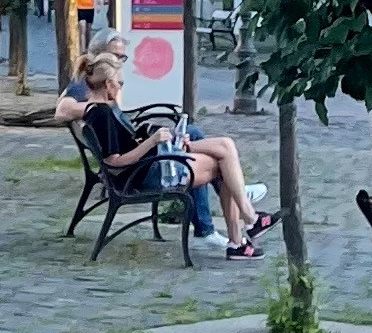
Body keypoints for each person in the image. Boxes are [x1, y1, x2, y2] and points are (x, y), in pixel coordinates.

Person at [78, 49, 271, 256]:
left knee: (224, 146)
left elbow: (124, 145)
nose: (120, 87)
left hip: (146, 168)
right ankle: (245, 225)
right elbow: (115, 164)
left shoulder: (98, 110)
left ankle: (244, 227)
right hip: (145, 176)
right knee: (223, 160)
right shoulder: (102, 115)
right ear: (108, 84)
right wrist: (152, 141)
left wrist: (151, 136)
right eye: (119, 82)